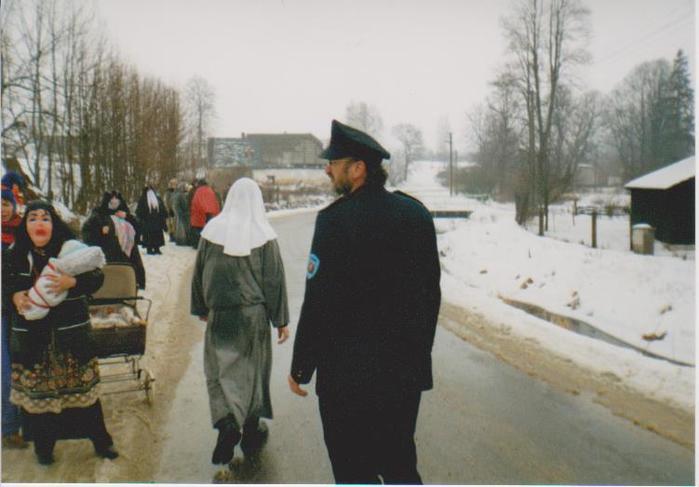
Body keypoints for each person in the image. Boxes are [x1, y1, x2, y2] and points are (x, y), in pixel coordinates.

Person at [288, 120, 441, 484]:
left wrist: (301, 367)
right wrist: (417, 354)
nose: (327, 169)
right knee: (400, 466)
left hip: (346, 381)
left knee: (353, 472)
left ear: (357, 169)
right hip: (402, 377)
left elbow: (318, 304)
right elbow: (430, 295)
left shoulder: (333, 222)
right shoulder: (416, 215)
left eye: (334, 163)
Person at [5, 200, 118, 465]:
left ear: (54, 224)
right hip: (34, 341)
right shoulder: (13, 254)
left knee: (85, 396)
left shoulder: (71, 249)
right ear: (25, 225)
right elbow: (4, 285)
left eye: (45, 218)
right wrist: (13, 296)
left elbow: (98, 277)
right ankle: (43, 448)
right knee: (39, 401)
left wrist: (73, 282)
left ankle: (101, 441)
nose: (39, 223)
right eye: (33, 218)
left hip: (71, 337)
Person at [191, 177, 290, 465]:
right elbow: (274, 280)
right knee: (253, 372)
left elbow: (199, 272)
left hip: (220, 314)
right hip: (252, 317)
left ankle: (226, 422)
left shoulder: (211, 232)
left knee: (219, 370)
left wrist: (201, 306)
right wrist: (281, 320)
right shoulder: (264, 235)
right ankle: (250, 429)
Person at [1, 186, 27, 449]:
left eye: (5, 203)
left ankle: (33, 420)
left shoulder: (24, 233)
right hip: (2, 312)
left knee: (26, 364)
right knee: (5, 369)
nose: (1, 209)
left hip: (23, 308)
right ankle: (9, 427)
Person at [83, 191, 146, 289]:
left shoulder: (125, 213)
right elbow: (87, 233)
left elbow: (139, 229)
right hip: (107, 255)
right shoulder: (99, 214)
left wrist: (127, 217)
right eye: (111, 201)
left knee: (126, 282)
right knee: (109, 282)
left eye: (116, 201)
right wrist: (100, 230)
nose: (114, 203)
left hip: (127, 256)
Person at [136, 185, 168, 255]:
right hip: (149, 222)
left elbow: (162, 209)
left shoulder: (156, 199)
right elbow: (139, 212)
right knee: (150, 235)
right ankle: (150, 248)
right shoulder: (144, 199)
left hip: (155, 221)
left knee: (156, 235)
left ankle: (156, 248)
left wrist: (163, 216)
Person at [189, 178, 221, 248]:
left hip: (199, 215)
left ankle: (198, 245)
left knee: (198, 232)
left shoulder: (198, 191)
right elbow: (215, 203)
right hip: (211, 215)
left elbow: (195, 203)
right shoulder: (210, 190)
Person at [163, 178, 178, 242]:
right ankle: (171, 236)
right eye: (174, 184)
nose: (175, 185)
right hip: (170, 211)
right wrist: (169, 209)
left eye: (176, 184)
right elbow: (166, 202)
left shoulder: (176, 192)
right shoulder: (168, 192)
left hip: (175, 210)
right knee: (170, 224)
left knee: (174, 224)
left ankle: (174, 235)